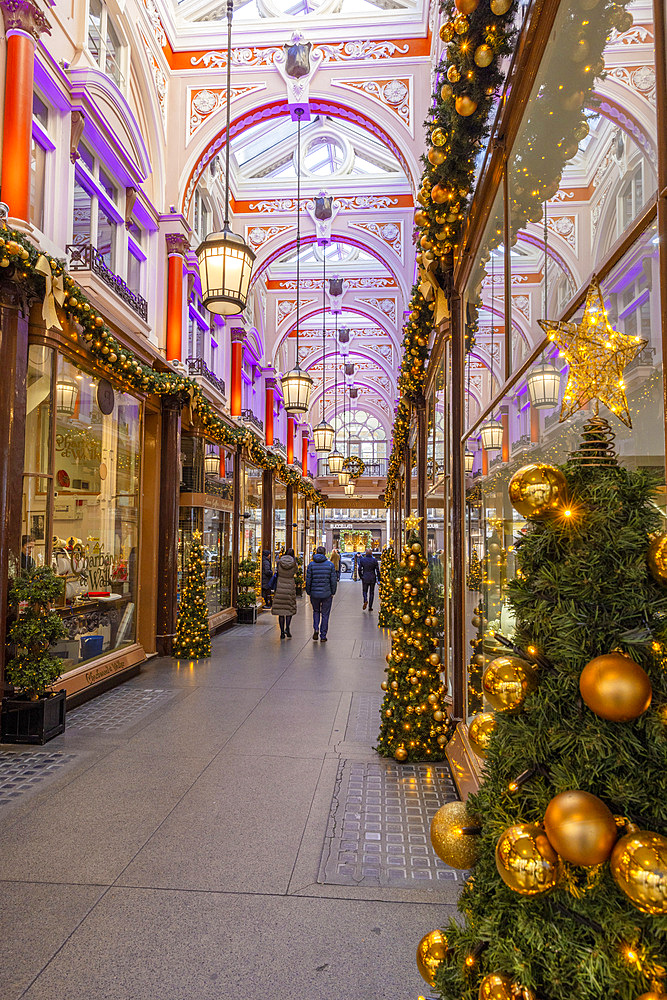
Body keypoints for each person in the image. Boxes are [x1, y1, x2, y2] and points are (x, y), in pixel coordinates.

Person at [305, 544, 337, 642]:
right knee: (325, 614)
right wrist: (333, 592)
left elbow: (308, 580)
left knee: (316, 611)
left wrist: (308, 591)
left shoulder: (311, 565)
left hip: (314, 593)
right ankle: (323, 635)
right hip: (327, 593)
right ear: (324, 553)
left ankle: (316, 628)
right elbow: (333, 580)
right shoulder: (330, 565)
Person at [271, 547, 297, 638]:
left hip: (280, 587)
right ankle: (288, 628)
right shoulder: (294, 563)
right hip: (289, 587)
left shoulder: (279, 562)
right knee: (289, 610)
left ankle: (282, 632)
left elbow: (277, 572)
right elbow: (295, 572)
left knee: (281, 611)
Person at [358, 547, 381, 612]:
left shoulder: (362, 560)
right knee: (372, 592)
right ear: (371, 553)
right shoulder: (374, 560)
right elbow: (377, 570)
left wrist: (361, 576)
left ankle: (365, 600)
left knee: (364, 591)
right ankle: (370, 606)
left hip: (365, 577)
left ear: (365, 553)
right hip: (372, 578)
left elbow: (359, 569)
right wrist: (379, 579)